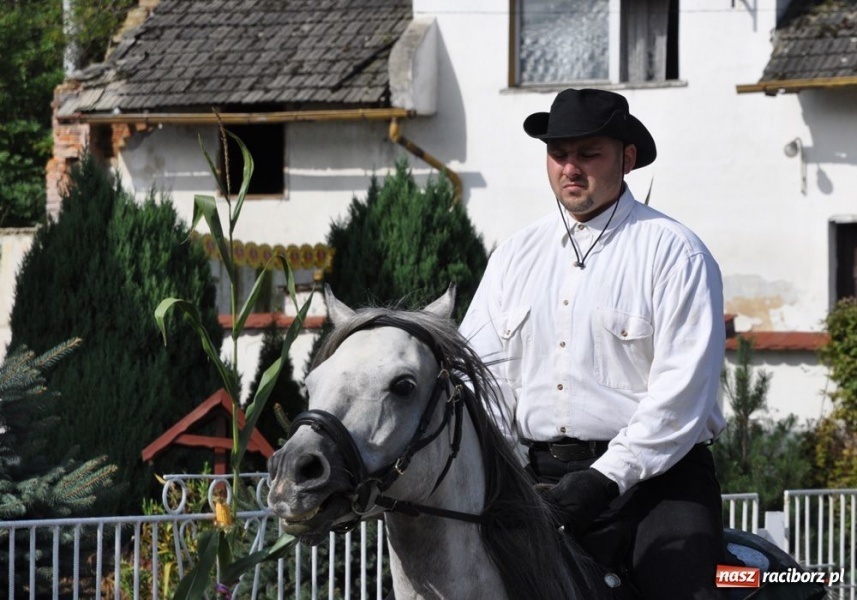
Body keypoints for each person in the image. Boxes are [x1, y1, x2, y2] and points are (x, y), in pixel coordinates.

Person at [460, 88, 728, 599]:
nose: (570, 169)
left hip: (659, 483)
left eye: (588, 154)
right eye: (559, 155)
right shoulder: (513, 257)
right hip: (534, 482)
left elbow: (681, 395)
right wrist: (506, 470)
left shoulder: (677, 253)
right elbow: (485, 380)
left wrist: (604, 479)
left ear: (627, 159)